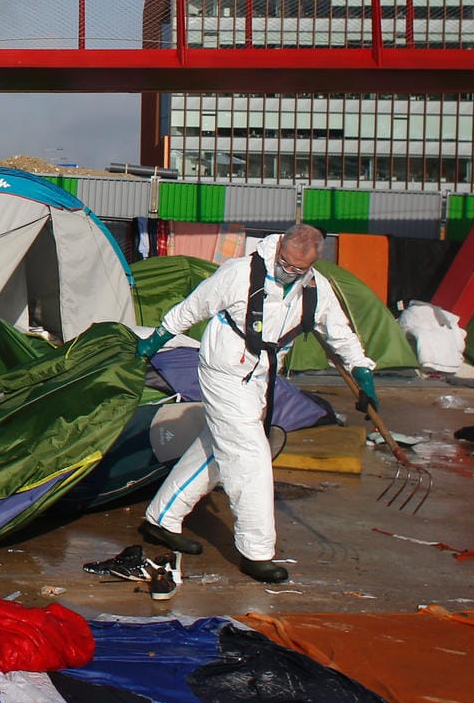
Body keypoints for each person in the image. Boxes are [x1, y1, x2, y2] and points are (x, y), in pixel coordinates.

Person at [133, 224, 375, 583]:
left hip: (259, 377)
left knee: (217, 447)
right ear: (279, 248)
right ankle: (256, 551)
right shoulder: (240, 274)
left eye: (298, 269)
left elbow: (340, 333)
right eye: (286, 264)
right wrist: (155, 341)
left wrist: (363, 373)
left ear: (312, 263)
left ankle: (161, 518)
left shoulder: (316, 288)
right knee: (250, 456)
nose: (289, 272)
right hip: (224, 368)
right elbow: (191, 308)